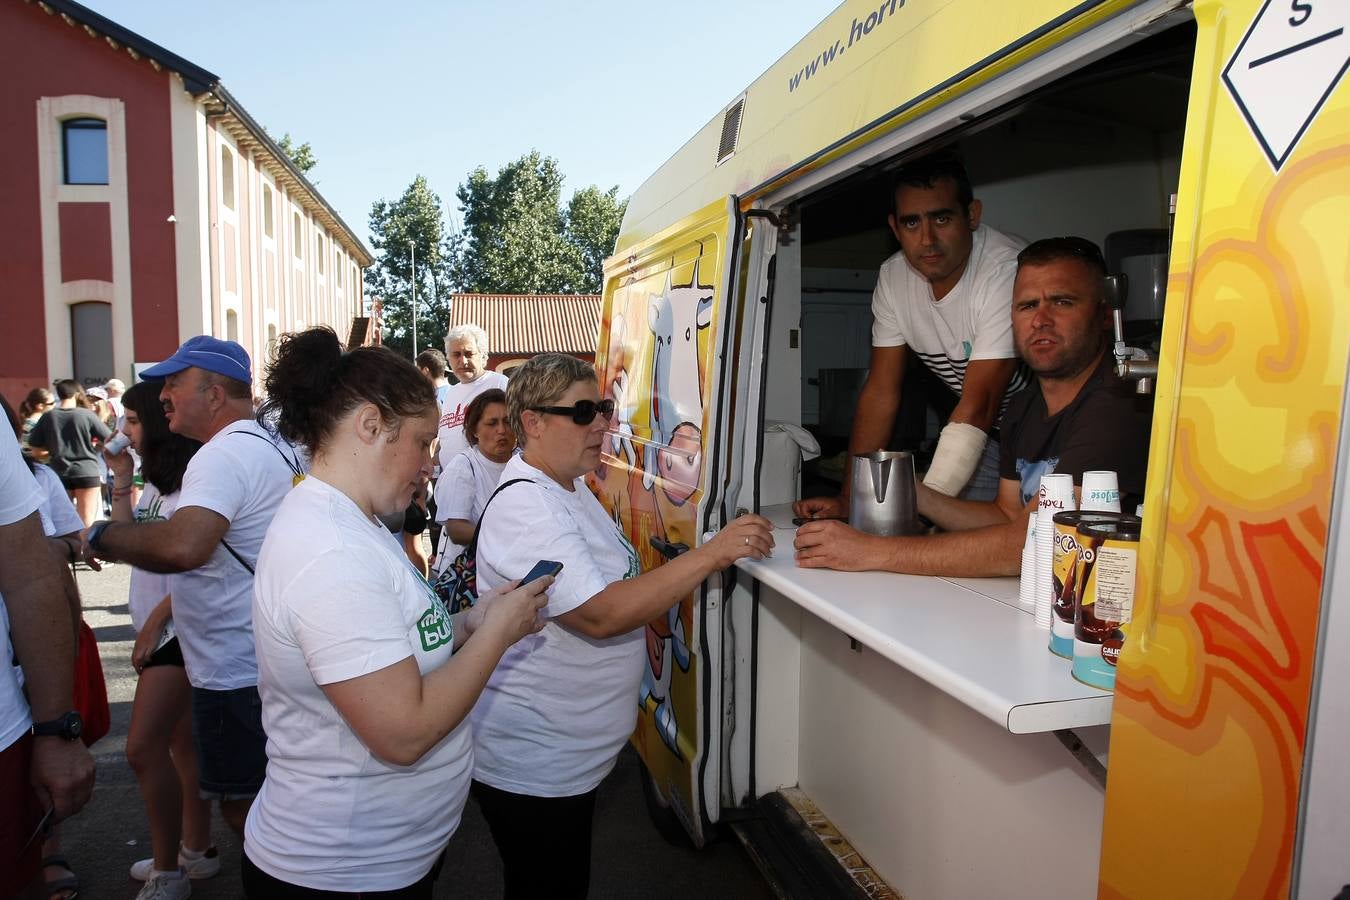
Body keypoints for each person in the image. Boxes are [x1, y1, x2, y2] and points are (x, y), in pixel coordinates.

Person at [243, 327, 550, 897]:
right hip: (341, 871)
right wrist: (497, 636)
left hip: (374, 863)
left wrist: (470, 623)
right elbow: (403, 733)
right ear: (368, 425)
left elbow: (394, 637)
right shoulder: (331, 551)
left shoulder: (356, 520)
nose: (431, 464)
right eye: (422, 442)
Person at [470, 353, 774, 899]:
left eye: (604, 408)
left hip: (566, 763)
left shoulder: (568, 486)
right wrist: (711, 555)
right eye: (584, 411)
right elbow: (600, 614)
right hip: (536, 767)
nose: (603, 423)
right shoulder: (528, 507)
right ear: (533, 422)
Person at [794, 236, 1152, 576]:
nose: (1041, 320)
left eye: (1062, 302)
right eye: (1028, 305)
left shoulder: (1119, 405)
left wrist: (871, 553)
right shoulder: (1024, 407)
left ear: (1105, 315)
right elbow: (1007, 515)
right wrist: (913, 492)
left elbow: (1033, 543)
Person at [82, 336, 305, 838]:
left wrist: (101, 536)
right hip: (265, 656)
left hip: (235, 670)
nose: (163, 395)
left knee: (246, 810)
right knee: (272, 801)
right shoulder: (272, 445)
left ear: (214, 394)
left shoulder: (221, 456)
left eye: (175, 383)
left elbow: (187, 546)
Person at [798, 152, 1028, 514]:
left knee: (1029, 548)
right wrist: (849, 499)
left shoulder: (1005, 271)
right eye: (911, 223)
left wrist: (920, 506)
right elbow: (880, 392)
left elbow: (980, 402)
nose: (927, 239)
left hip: (1047, 437)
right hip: (989, 438)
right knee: (950, 545)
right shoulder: (893, 278)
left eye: (941, 218)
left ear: (972, 215)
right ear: (894, 227)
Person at [103, 382, 216, 899]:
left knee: (141, 748)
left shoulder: (195, 481)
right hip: (163, 627)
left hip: (178, 631)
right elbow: (124, 544)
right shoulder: (155, 481)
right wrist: (122, 480)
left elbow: (197, 559)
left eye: (132, 420)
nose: (123, 431)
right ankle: (196, 849)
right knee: (179, 746)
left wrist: (154, 623)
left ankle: (169, 871)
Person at [0, 424, 96, 900]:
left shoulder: (39, 475)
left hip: (14, 691)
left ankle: (50, 849)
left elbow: (41, 565)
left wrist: (58, 731)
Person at [432, 388, 514, 574]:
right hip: (468, 575)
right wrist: (506, 539)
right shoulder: (463, 467)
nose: (501, 430)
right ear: (475, 429)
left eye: (508, 422)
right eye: (492, 423)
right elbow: (456, 529)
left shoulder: (523, 462)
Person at [26, 379, 112, 526]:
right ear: (77, 394)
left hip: (59, 470)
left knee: (62, 521)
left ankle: (69, 548)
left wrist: (52, 451)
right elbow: (109, 438)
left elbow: (34, 447)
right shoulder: (86, 415)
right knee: (87, 519)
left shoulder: (49, 416)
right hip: (87, 470)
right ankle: (85, 548)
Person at [438, 324, 508, 472]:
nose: (462, 361)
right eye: (456, 354)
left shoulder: (500, 384)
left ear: (482, 356)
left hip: (489, 483)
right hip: (453, 482)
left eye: (469, 354)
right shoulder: (451, 393)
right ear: (448, 358)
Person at [416, 349, 452, 563]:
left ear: (425, 370)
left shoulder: (430, 398)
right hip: (444, 467)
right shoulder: (456, 392)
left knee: (433, 514)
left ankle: (436, 555)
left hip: (435, 469)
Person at [18, 388, 56, 457]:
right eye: (52, 403)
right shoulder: (33, 424)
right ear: (40, 406)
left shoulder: (38, 421)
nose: (55, 405)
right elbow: (27, 450)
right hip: (39, 465)